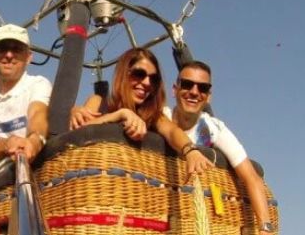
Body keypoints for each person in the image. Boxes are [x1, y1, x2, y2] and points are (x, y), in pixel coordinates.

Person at [167, 61, 290, 235]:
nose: (194, 92)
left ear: (209, 96)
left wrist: (266, 231)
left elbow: (251, 178)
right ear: (175, 89)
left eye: (202, 88)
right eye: (187, 84)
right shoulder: (160, 117)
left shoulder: (214, 129)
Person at [69, 48, 211, 178]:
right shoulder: (98, 102)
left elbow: (172, 131)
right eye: (139, 74)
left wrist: (190, 151)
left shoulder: (153, 116)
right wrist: (120, 114)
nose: (147, 82)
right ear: (124, 73)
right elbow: (80, 134)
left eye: (153, 79)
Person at [0, 24, 51, 172]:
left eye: (17, 49)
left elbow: (38, 114)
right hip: (0, 182)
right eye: (2, 48)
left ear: (28, 57)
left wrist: (33, 142)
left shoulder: (38, 84)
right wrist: (6, 145)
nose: (9, 55)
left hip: (37, 173)